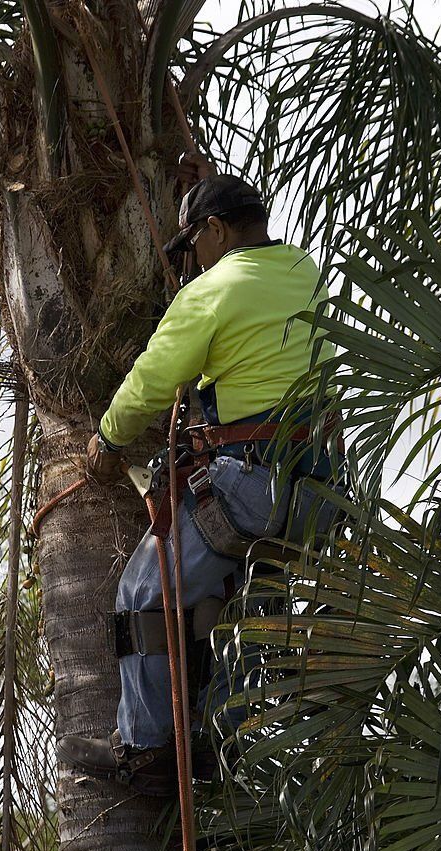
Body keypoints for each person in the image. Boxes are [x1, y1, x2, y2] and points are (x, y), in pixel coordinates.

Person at [57, 161, 340, 795]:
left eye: (191, 244)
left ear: (212, 230)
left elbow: (153, 381)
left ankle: (146, 748)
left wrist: (106, 441)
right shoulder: (306, 274)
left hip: (249, 491)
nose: (191, 259)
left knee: (142, 593)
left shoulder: (212, 292)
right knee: (238, 608)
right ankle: (226, 744)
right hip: (320, 494)